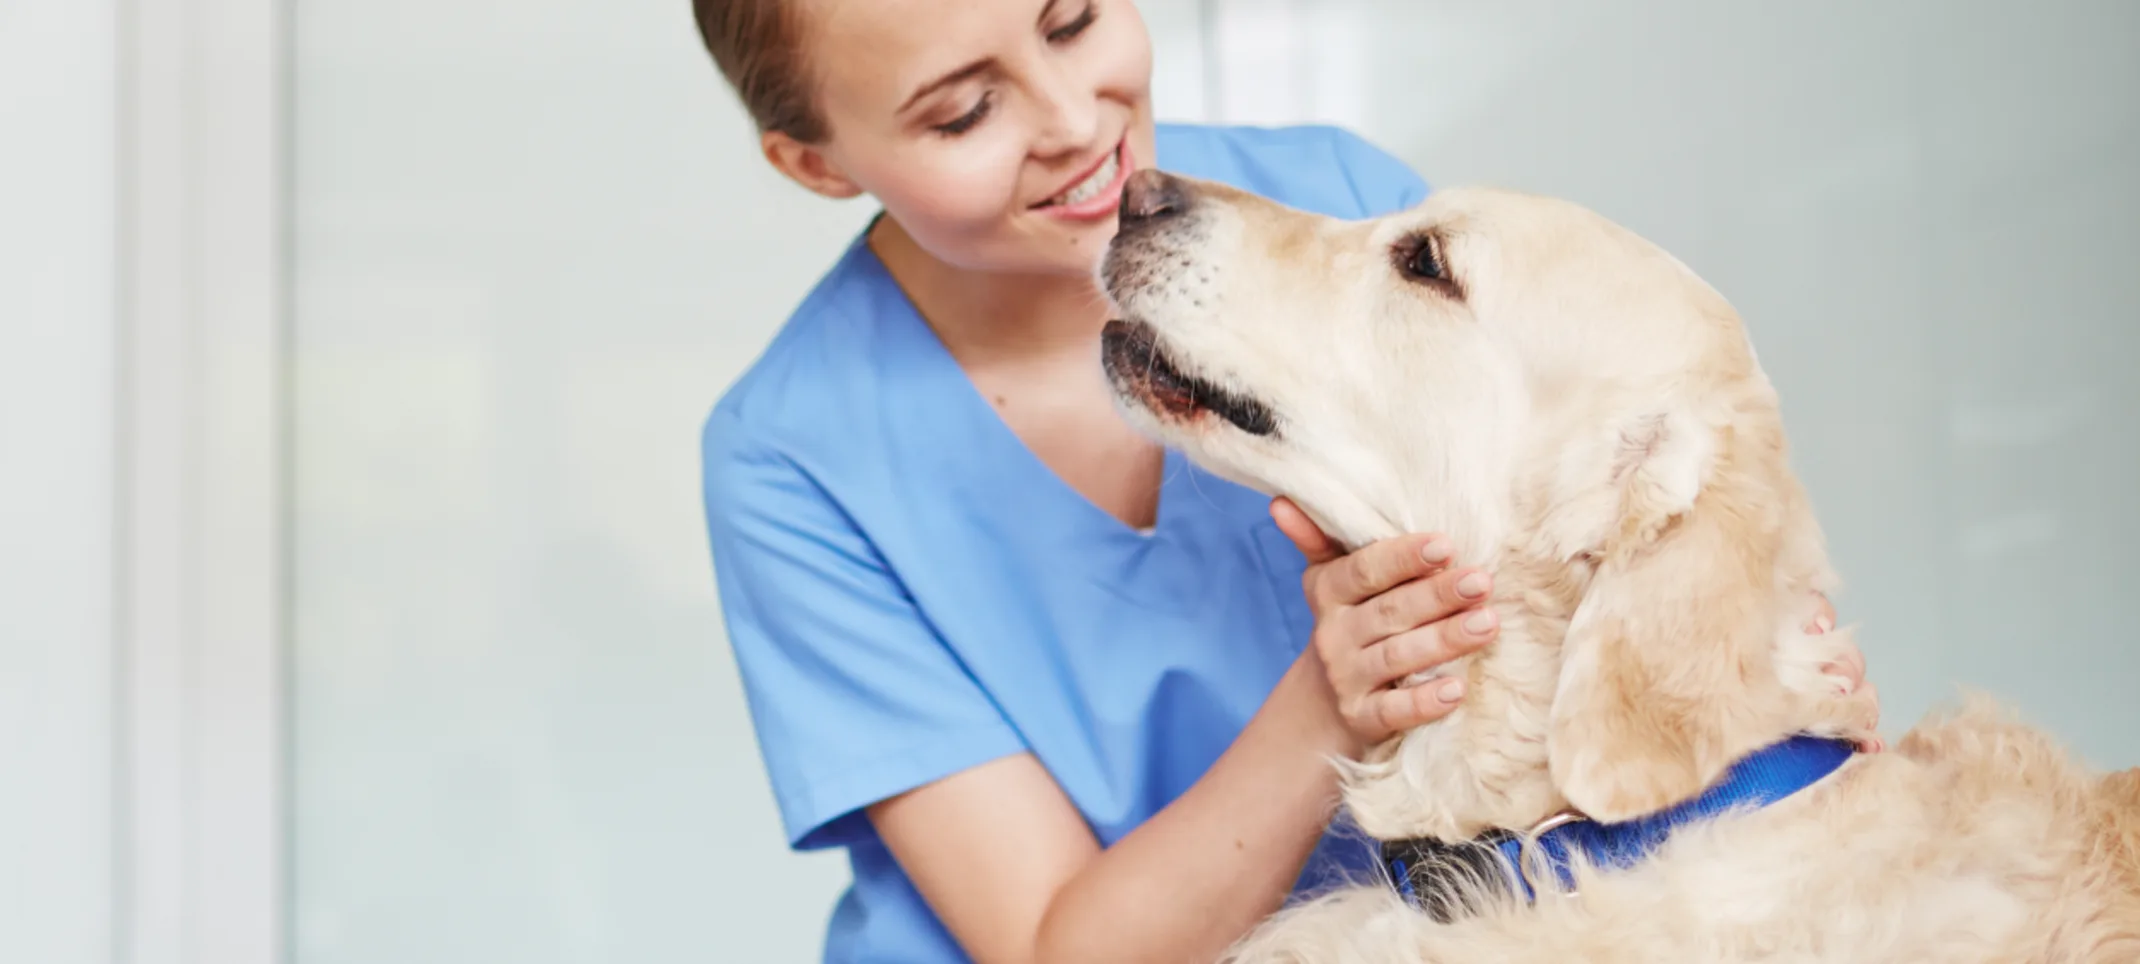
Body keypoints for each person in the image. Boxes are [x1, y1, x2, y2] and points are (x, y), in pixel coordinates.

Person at [690, 2, 1874, 962]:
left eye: (1071, 20)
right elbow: (1055, 950)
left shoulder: (1341, 201)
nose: (1072, 120)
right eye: (964, 111)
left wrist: (1747, 674)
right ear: (815, 162)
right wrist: (1330, 698)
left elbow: (1566, 569)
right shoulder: (791, 458)